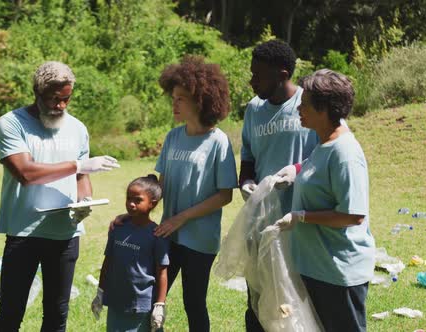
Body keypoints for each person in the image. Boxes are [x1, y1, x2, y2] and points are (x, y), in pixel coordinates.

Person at [0, 61, 120, 332]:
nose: (61, 105)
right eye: (54, 99)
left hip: (65, 234)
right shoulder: (11, 123)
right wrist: (77, 165)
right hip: (24, 232)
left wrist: (85, 202)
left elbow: (81, 179)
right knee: (11, 312)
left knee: (56, 314)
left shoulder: (77, 128)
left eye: (66, 99)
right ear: (37, 93)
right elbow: (25, 173)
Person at [273, 69, 375, 332]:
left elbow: (353, 215)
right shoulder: (325, 141)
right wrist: (296, 170)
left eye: (304, 105)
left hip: (338, 274)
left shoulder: (346, 153)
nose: (299, 110)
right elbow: (315, 166)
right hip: (315, 268)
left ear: (325, 109)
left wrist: (301, 216)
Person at [238, 39, 320, 332]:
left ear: (282, 75)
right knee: (258, 299)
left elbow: (325, 155)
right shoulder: (254, 110)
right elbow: (247, 157)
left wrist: (296, 172)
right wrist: (246, 182)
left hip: (298, 223)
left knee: (296, 300)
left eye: (258, 75)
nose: (251, 81)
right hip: (260, 222)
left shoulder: (309, 107)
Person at [154, 55, 238, 331]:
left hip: (199, 238)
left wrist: (183, 218)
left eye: (181, 98)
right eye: (173, 97)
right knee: (153, 296)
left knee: (193, 302)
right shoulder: (172, 137)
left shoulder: (218, 142)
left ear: (200, 100)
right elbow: (161, 185)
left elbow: (225, 194)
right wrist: (136, 213)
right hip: (169, 232)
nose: (174, 104)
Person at [91, 174, 169, 332]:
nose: (131, 204)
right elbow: (108, 261)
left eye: (138, 200)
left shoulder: (157, 234)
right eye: (128, 198)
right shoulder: (117, 228)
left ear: (152, 204)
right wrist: (100, 292)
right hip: (115, 301)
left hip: (141, 306)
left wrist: (159, 305)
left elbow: (162, 273)